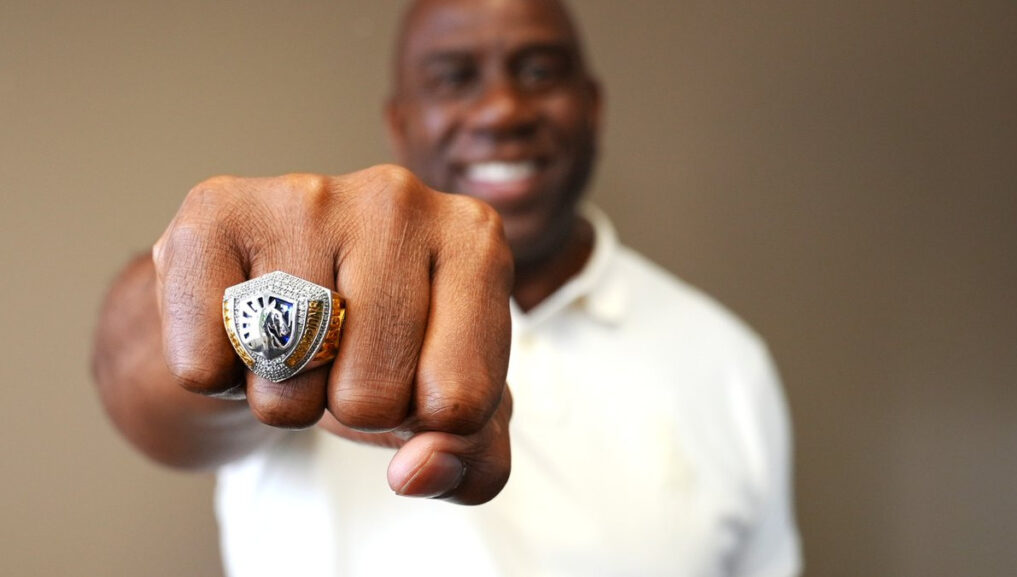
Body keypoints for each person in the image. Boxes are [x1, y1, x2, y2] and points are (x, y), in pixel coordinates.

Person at [92, 0, 801, 575]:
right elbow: (135, 373)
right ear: (400, 124)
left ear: (592, 106)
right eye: (454, 77)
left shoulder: (727, 360)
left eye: (537, 70)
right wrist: (247, 318)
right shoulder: (307, 292)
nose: (500, 109)